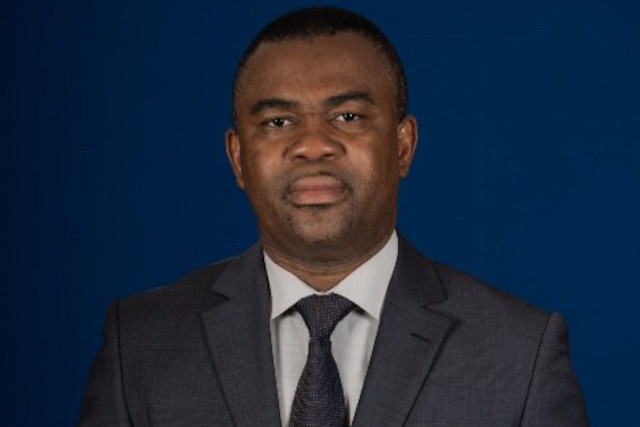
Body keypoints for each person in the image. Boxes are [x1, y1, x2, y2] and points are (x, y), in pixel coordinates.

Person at [78, 6, 589, 427]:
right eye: (278, 121)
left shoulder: (520, 353)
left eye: (348, 116)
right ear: (237, 157)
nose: (313, 145)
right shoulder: (139, 343)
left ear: (403, 145)